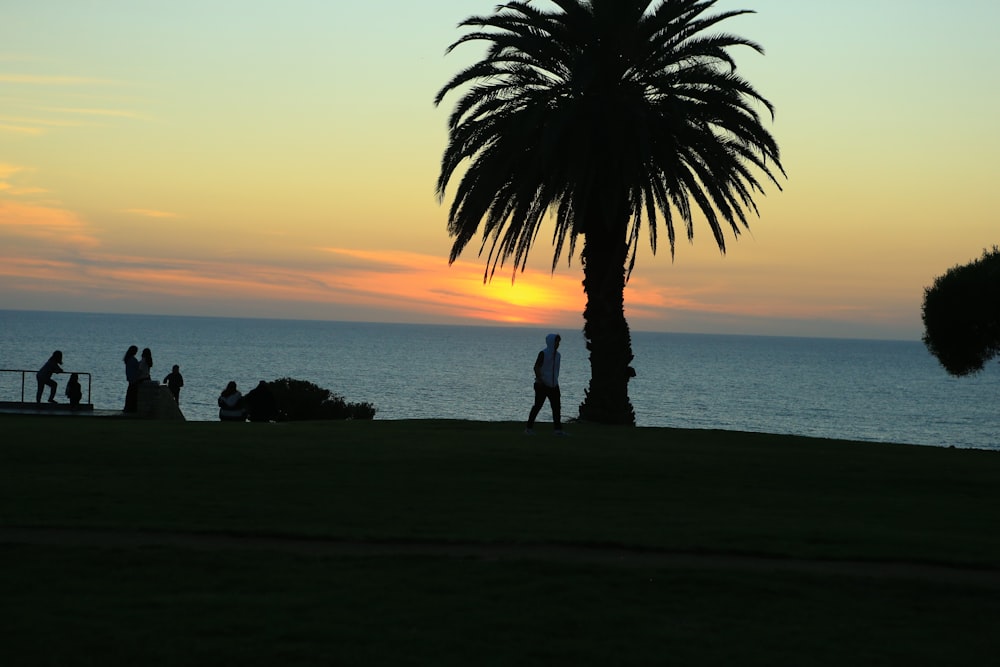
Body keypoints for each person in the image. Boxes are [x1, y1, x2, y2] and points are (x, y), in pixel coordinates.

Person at [526, 333, 567, 435]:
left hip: (554, 385)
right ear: (551, 342)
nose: (558, 344)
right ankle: (528, 429)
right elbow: (536, 367)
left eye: (558, 342)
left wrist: (555, 381)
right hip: (542, 385)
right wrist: (540, 379)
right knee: (537, 406)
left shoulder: (558, 356)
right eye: (556, 342)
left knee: (557, 407)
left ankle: (558, 430)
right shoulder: (543, 353)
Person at [123, 345, 140, 413]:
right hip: (134, 379)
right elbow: (137, 369)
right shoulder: (133, 360)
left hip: (130, 378)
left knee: (130, 394)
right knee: (133, 395)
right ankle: (132, 408)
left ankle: (128, 407)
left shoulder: (128, 359)